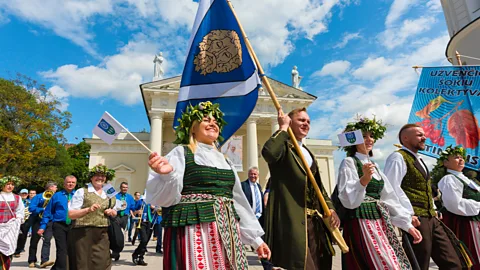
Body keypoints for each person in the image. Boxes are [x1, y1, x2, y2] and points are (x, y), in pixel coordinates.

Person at [146, 101, 270, 269]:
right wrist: (167, 174)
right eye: (205, 119)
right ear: (193, 128)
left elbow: (238, 201)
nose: (213, 123)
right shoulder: (181, 152)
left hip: (226, 230)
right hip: (193, 229)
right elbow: (166, 199)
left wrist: (256, 240)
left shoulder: (225, 160)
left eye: (216, 121)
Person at [336, 117, 422, 269]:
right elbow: (348, 199)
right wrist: (363, 180)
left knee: (393, 261)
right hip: (360, 221)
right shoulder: (349, 162)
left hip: (380, 220)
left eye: (371, 136)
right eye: (363, 136)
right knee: (382, 264)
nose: (369, 140)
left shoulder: (375, 166)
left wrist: (406, 224)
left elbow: (389, 198)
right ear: (353, 140)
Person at [261, 107, 340, 270]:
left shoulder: (308, 152)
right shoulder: (284, 146)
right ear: (290, 122)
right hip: (292, 221)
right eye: (301, 120)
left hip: (315, 223)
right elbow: (269, 153)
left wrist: (331, 209)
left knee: (320, 264)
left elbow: (318, 187)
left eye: (308, 121)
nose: (306, 124)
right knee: (300, 265)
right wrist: (282, 128)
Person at [384, 124, 469, 269]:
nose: (424, 137)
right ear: (405, 138)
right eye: (419, 135)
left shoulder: (419, 160)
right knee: (419, 263)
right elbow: (390, 188)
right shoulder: (398, 157)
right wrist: (405, 215)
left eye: (423, 134)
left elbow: (425, 190)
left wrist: (434, 209)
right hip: (416, 218)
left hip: (431, 217)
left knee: (452, 262)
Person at [433, 146, 480, 269]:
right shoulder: (448, 179)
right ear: (445, 163)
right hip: (463, 223)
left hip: (474, 220)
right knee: (468, 256)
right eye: (456, 157)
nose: (461, 159)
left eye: (461, 157)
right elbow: (454, 204)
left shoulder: (467, 179)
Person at [68, 164, 117, 270]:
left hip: (103, 231)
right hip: (83, 233)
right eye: (97, 175)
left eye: (103, 176)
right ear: (91, 177)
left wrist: (112, 211)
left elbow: (116, 208)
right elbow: (71, 214)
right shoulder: (82, 191)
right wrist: (87, 210)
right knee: (83, 263)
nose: (100, 178)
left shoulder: (109, 191)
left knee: (103, 261)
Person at [38, 176, 77, 270]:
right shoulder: (57, 196)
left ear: (75, 184)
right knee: (62, 249)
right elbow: (48, 212)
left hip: (74, 225)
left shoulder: (78, 195)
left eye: (73, 182)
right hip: (59, 225)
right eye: (68, 182)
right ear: (64, 184)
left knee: (73, 249)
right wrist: (43, 226)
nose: (70, 184)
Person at [28, 182, 57, 268]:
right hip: (38, 220)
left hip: (50, 221)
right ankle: (32, 260)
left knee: (47, 241)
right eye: (55, 187)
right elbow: (31, 208)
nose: (56, 189)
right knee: (34, 241)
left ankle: (44, 261)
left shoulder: (55, 197)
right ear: (50, 188)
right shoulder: (38, 196)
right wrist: (42, 209)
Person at [0, 176, 24, 270]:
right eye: (8, 184)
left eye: (12, 184)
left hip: (11, 228)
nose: (10, 186)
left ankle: (6, 267)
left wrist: (18, 219)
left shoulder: (17, 198)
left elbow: (20, 211)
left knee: (9, 248)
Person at [111, 182, 135, 261]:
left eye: (126, 187)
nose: (125, 189)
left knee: (122, 234)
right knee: (116, 234)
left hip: (125, 217)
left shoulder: (130, 197)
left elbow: (133, 207)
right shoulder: (116, 196)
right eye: (123, 187)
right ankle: (115, 251)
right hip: (116, 216)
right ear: (120, 188)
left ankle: (117, 251)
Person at [131, 200, 155, 266]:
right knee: (144, 240)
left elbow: (154, 212)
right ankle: (135, 254)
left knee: (146, 241)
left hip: (150, 222)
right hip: (142, 222)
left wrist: (154, 209)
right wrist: (137, 212)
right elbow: (133, 210)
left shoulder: (153, 200)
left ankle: (141, 258)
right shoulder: (140, 201)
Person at [14, 189, 30, 257]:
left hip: (26, 220)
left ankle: (19, 250)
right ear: (19, 194)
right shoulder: (16, 201)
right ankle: (13, 249)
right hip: (16, 220)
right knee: (14, 235)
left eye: (25, 194)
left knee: (23, 236)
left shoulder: (29, 202)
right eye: (22, 193)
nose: (24, 195)